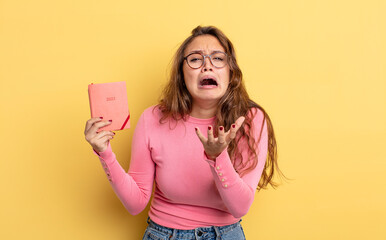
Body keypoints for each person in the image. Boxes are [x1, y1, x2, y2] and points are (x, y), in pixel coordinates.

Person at [84, 26, 284, 240]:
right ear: (182, 73)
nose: (207, 66)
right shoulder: (152, 118)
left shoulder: (250, 120)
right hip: (163, 235)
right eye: (196, 60)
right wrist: (104, 153)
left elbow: (240, 207)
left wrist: (218, 158)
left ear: (231, 72)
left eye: (218, 58)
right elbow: (135, 203)